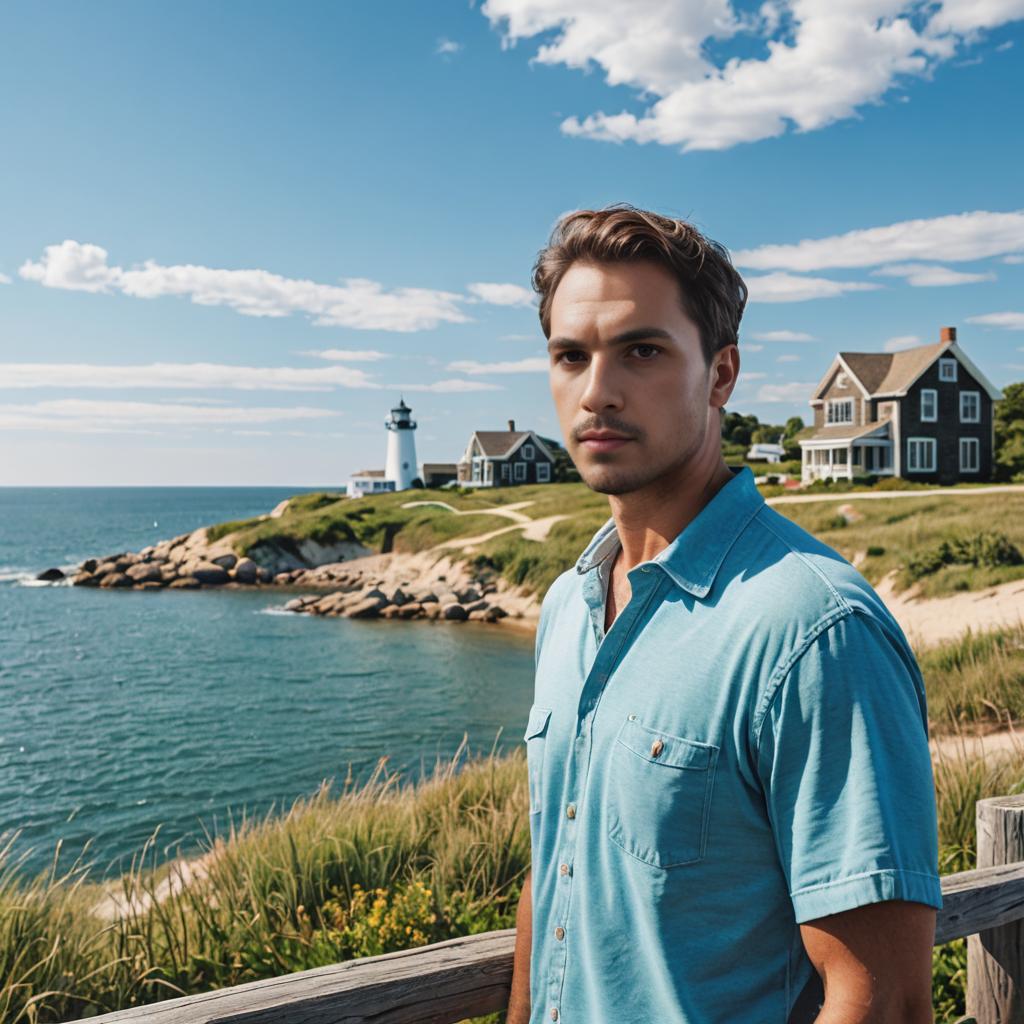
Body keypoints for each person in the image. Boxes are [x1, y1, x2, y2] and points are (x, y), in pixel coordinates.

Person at [505, 205, 941, 1024]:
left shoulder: (814, 631)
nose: (597, 391)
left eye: (642, 350)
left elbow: (883, 1000)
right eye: (571, 355)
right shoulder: (570, 603)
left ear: (722, 374)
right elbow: (554, 867)